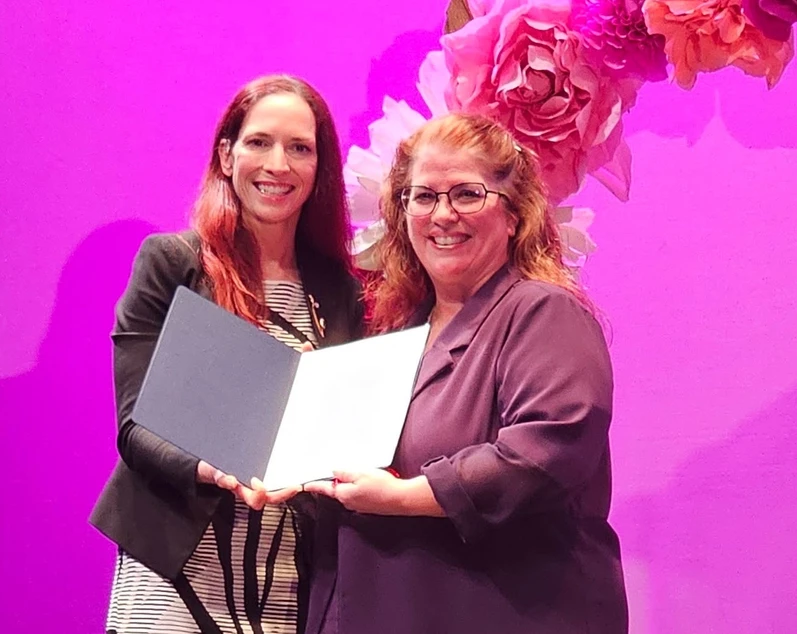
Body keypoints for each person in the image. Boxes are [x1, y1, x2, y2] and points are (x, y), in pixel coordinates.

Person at [305, 113, 628, 633]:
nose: (443, 215)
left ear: (515, 214)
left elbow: (548, 449)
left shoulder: (541, 311)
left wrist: (405, 498)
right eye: (424, 197)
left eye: (466, 194)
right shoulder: (394, 337)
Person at [90, 74, 364, 634]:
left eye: (300, 148)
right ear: (227, 153)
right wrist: (209, 468)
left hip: (286, 579)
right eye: (259, 141)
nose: (278, 164)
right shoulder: (174, 264)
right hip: (172, 578)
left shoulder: (341, 291)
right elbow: (135, 425)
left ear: (320, 169)